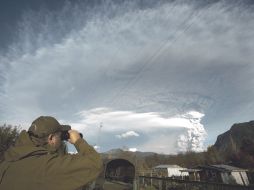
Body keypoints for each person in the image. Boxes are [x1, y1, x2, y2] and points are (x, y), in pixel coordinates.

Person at [0, 116, 102, 190]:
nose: (61, 140)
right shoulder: (47, 167)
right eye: (60, 136)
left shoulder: (7, 162)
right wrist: (78, 141)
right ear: (51, 138)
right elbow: (95, 163)